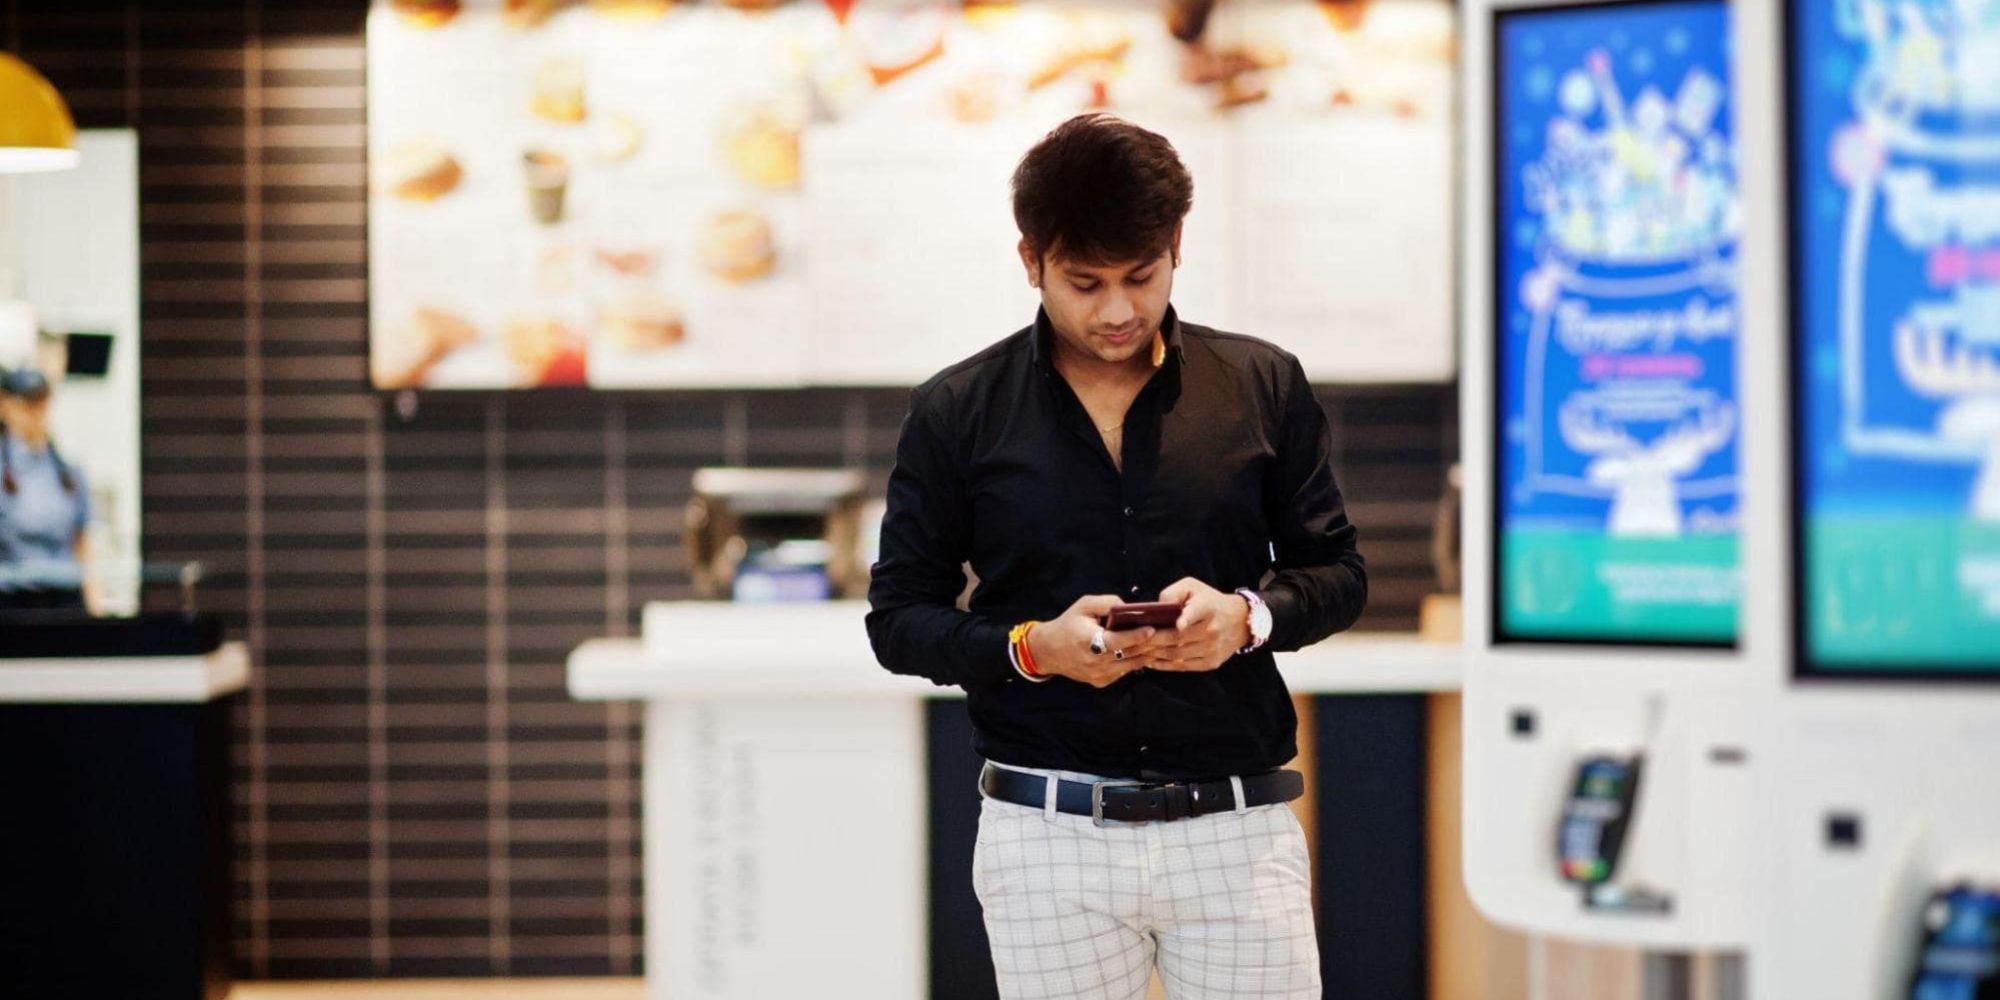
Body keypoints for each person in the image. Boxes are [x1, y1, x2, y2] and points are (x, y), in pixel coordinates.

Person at [866, 113, 1367, 1000]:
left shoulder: (1261, 383)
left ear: (1177, 243)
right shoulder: (957, 409)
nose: (1118, 310)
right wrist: (1030, 648)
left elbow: (1336, 575)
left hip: (1237, 829)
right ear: (1031, 260)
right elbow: (901, 620)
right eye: (1083, 281)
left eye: (1142, 276)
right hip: (1046, 833)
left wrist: (1246, 619)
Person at [0, 362, 93, 612]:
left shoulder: (69, 472)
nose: (38, 413)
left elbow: (82, 544)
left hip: (65, 600)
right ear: (6, 406)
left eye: (42, 403)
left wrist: (95, 609)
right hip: (14, 602)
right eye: (28, 404)